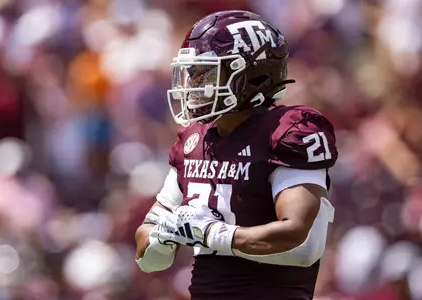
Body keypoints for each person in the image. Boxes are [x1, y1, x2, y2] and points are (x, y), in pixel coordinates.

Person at [135, 10, 338, 300]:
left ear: (252, 76)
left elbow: (303, 244)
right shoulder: (194, 140)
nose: (193, 83)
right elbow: (149, 258)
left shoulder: (287, 131)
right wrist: (163, 237)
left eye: (206, 72)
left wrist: (211, 234)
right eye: (193, 72)